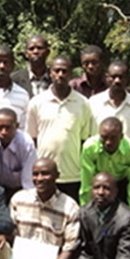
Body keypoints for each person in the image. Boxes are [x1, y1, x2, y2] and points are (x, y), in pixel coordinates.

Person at [26, 56, 94, 200]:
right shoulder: (36, 102)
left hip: (72, 175)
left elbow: (84, 141)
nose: (60, 75)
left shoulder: (83, 103)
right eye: (57, 71)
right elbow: (32, 139)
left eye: (64, 71)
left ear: (71, 74)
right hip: (44, 175)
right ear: (50, 73)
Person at [8, 158, 80, 259]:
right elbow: (10, 232)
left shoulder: (70, 207)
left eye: (45, 173)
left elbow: (70, 246)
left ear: (57, 176)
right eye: (35, 174)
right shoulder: (19, 199)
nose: (39, 178)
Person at [79, 117, 130, 211]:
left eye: (113, 138)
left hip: (121, 183)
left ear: (121, 137)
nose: (108, 142)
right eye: (104, 137)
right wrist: (85, 210)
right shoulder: (90, 147)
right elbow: (87, 183)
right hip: (99, 184)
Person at [87, 60, 130, 142]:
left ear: (127, 79)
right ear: (107, 78)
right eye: (113, 77)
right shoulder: (93, 103)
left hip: (127, 154)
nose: (117, 81)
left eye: (121, 77)